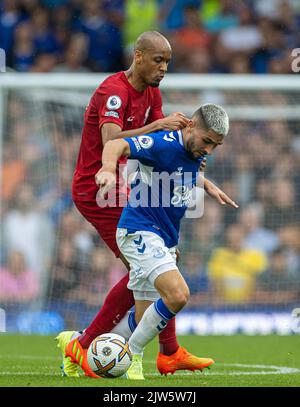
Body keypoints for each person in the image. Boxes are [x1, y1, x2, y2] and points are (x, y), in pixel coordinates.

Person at [56, 31, 234, 379]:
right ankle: (86, 343)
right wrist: (156, 125)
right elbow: (113, 140)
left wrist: (202, 180)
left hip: (124, 183)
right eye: (158, 60)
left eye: (168, 62)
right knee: (147, 265)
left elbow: (160, 147)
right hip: (98, 186)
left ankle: (167, 351)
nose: (164, 68)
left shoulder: (152, 91)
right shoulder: (113, 91)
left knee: (155, 263)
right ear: (138, 57)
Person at [96, 103, 238, 379]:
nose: (209, 150)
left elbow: (182, 172)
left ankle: (83, 349)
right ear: (191, 126)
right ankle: (132, 353)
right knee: (178, 295)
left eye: (215, 146)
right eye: (207, 141)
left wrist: (206, 185)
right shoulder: (163, 143)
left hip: (163, 237)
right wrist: (106, 169)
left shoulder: (195, 152)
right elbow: (116, 145)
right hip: (139, 230)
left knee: (142, 316)